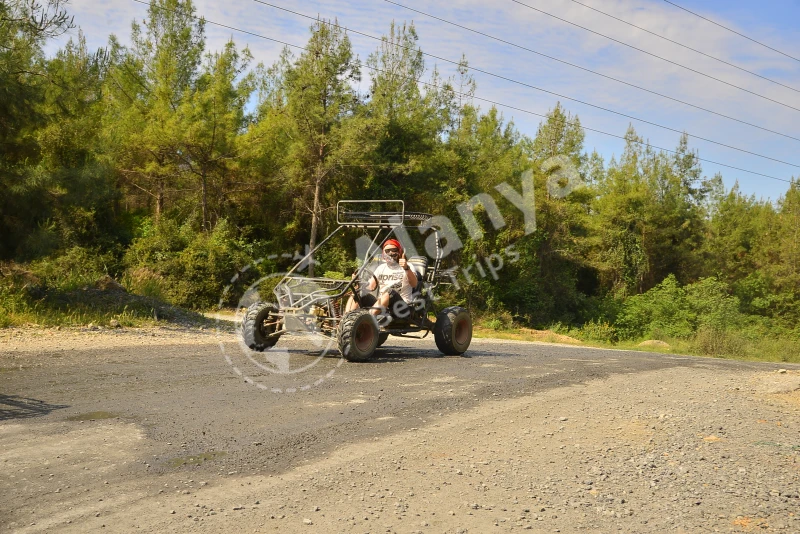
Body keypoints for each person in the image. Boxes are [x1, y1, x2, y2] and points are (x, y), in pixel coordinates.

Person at [345, 238, 419, 318]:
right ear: (383, 254)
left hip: (401, 307)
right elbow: (370, 287)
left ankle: (368, 319)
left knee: (390, 292)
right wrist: (358, 282)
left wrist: (406, 268)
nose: (390, 253)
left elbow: (414, 284)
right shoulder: (381, 268)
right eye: (387, 251)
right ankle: (347, 319)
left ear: (399, 251)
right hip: (381, 304)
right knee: (358, 292)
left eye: (394, 250)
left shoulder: (408, 266)